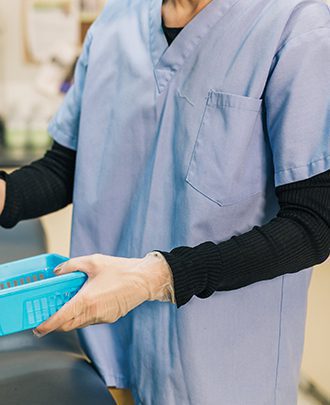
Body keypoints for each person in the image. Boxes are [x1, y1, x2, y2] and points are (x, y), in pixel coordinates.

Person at [0, 0, 329, 403]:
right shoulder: (116, 22)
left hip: (218, 371)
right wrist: (5, 193)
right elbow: (67, 167)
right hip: (107, 352)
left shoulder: (294, 27)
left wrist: (154, 278)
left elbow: (313, 223)